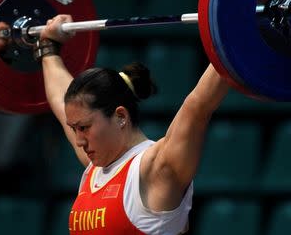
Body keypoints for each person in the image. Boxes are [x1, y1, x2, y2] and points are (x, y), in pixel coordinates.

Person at [35, 14, 230, 234]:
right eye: (74, 129)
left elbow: (198, 107)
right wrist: (48, 47)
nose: (78, 140)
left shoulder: (155, 168)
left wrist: (236, 36)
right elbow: (61, 104)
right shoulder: (95, 167)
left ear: (120, 116)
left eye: (84, 128)